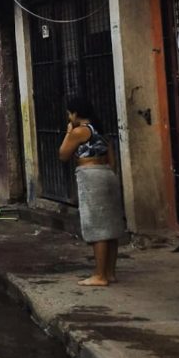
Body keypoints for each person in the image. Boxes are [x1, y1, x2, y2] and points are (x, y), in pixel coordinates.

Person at [59, 95, 122, 287]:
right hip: (107, 175)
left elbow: (63, 154)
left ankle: (99, 275)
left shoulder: (80, 131)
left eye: (70, 114)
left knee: (97, 227)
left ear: (76, 113)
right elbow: (113, 162)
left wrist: (68, 132)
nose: (69, 117)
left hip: (90, 175)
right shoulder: (101, 130)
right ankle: (109, 272)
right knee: (110, 226)